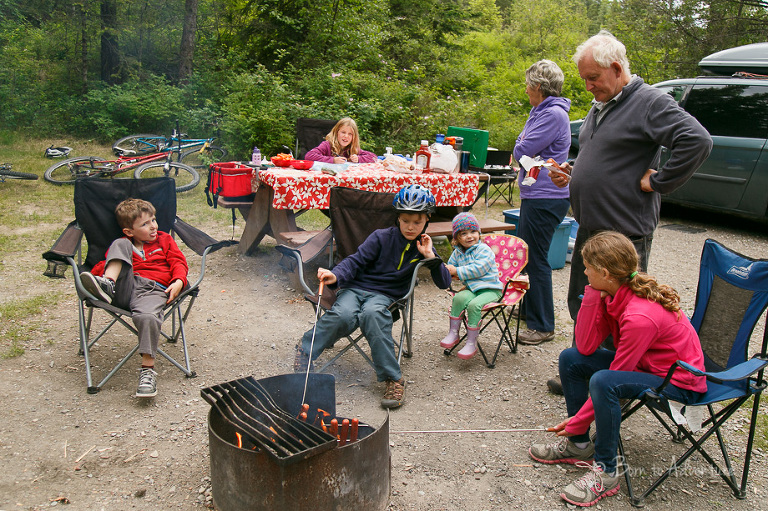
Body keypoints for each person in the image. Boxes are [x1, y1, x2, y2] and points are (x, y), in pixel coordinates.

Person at [546, 30, 712, 394]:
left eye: (593, 78)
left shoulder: (649, 102)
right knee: (585, 302)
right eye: (584, 79)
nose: (588, 86)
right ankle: (587, 370)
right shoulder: (602, 103)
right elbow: (603, 155)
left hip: (623, 235)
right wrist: (574, 172)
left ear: (617, 68)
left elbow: (697, 140)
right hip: (590, 227)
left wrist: (660, 181)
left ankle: (615, 385)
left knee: (620, 315)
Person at [528, 231, 707, 506]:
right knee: (570, 358)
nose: (584, 272)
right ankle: (578, 444)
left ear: (605, 272)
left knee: (603, 381)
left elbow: (616, 373)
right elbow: (586, 347)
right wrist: (591, 296)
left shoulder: (639, 315)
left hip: (678, 382)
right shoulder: (613, 294)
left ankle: (607, 470)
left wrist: (578, 419)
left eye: (587, 268)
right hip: (648, 367)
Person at [293, 184, 451, 409]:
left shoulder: (423, 246)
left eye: (417, 221)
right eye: (405, 220)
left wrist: (431, 257)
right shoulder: (381, 237)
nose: (410, 226)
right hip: (355, 288)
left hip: (386, 297)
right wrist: (335, 274)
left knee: (372, 315)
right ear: (397, 218)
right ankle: (306, 349)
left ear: (427, 219)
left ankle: (393, 378)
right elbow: (355, 261)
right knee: (343, 315)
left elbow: (444, 282)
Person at [79, 198, 188, 398]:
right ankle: (107, 284)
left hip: (152, 290)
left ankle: (147, 371)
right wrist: (102, 271)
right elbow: (102, 265)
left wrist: (179, 281)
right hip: (123, 289)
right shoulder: (123, 244)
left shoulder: (164, 240)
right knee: (119, 245)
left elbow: (178, 262)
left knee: (147, 317)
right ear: (130, 231)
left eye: (153, 220)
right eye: (145, 224)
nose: (153, 226)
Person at [512, 59, 572, 345]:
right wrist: (523, 148)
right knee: (526, 254)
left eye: (527, 85)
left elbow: (522, 150)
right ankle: (529, 309)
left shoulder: (552, 115)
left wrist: (521, 145)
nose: (525, 90)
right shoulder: (541, 111)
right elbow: (524, 152)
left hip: (547, 196)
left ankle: (543, 325)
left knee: (535, 259)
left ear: (538, 86)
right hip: (536, 193)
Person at [440, 212, 502, 359]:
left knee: (474, 305)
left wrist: (457, 271)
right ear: (456, 238)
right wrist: (446, 270)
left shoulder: (484, 250)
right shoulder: (458, 253)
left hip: (491, 289)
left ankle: (471, 342)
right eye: (464, 233)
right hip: (472, 289)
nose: (470, 236)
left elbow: (478, 269)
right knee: (459, 298)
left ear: (479, 233)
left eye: (473, 231)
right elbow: (452, 267)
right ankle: (453, 333)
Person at [304, 117, 378, 164]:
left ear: (354, 137)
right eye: (343, 132)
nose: (346, 136)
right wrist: (333, 160)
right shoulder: (327, 145)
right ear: (336, 132)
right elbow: (309, 156)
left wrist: (359, 158)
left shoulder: (351, 149)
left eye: (350, 134)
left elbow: (373, 157)